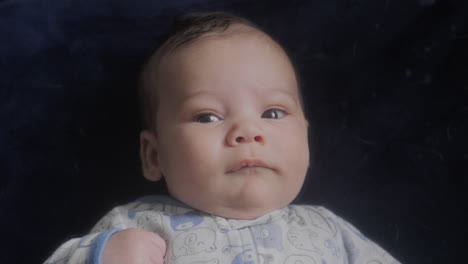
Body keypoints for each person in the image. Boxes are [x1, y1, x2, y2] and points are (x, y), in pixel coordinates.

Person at [45, 12, 400, 264]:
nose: (248, 132)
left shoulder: (328, 229)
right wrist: (103, 256)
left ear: (306, 138)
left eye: (273, 113)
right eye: (207, 116)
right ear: (153, 155)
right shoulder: (135, 224)